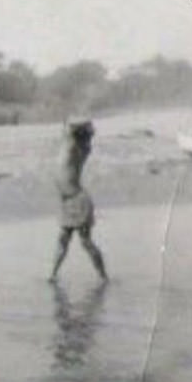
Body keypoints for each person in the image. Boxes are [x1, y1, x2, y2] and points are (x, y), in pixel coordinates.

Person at [49, 119, 108, 284]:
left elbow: (75, 129)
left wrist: (73, 125)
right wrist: (68, 124)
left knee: (86, 242)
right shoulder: (70, 145)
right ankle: (52, 275)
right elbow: (69, 129)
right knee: (63, 240)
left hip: (78, 200)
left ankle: (103, 276)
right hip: (67, 201)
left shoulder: (76, 148)